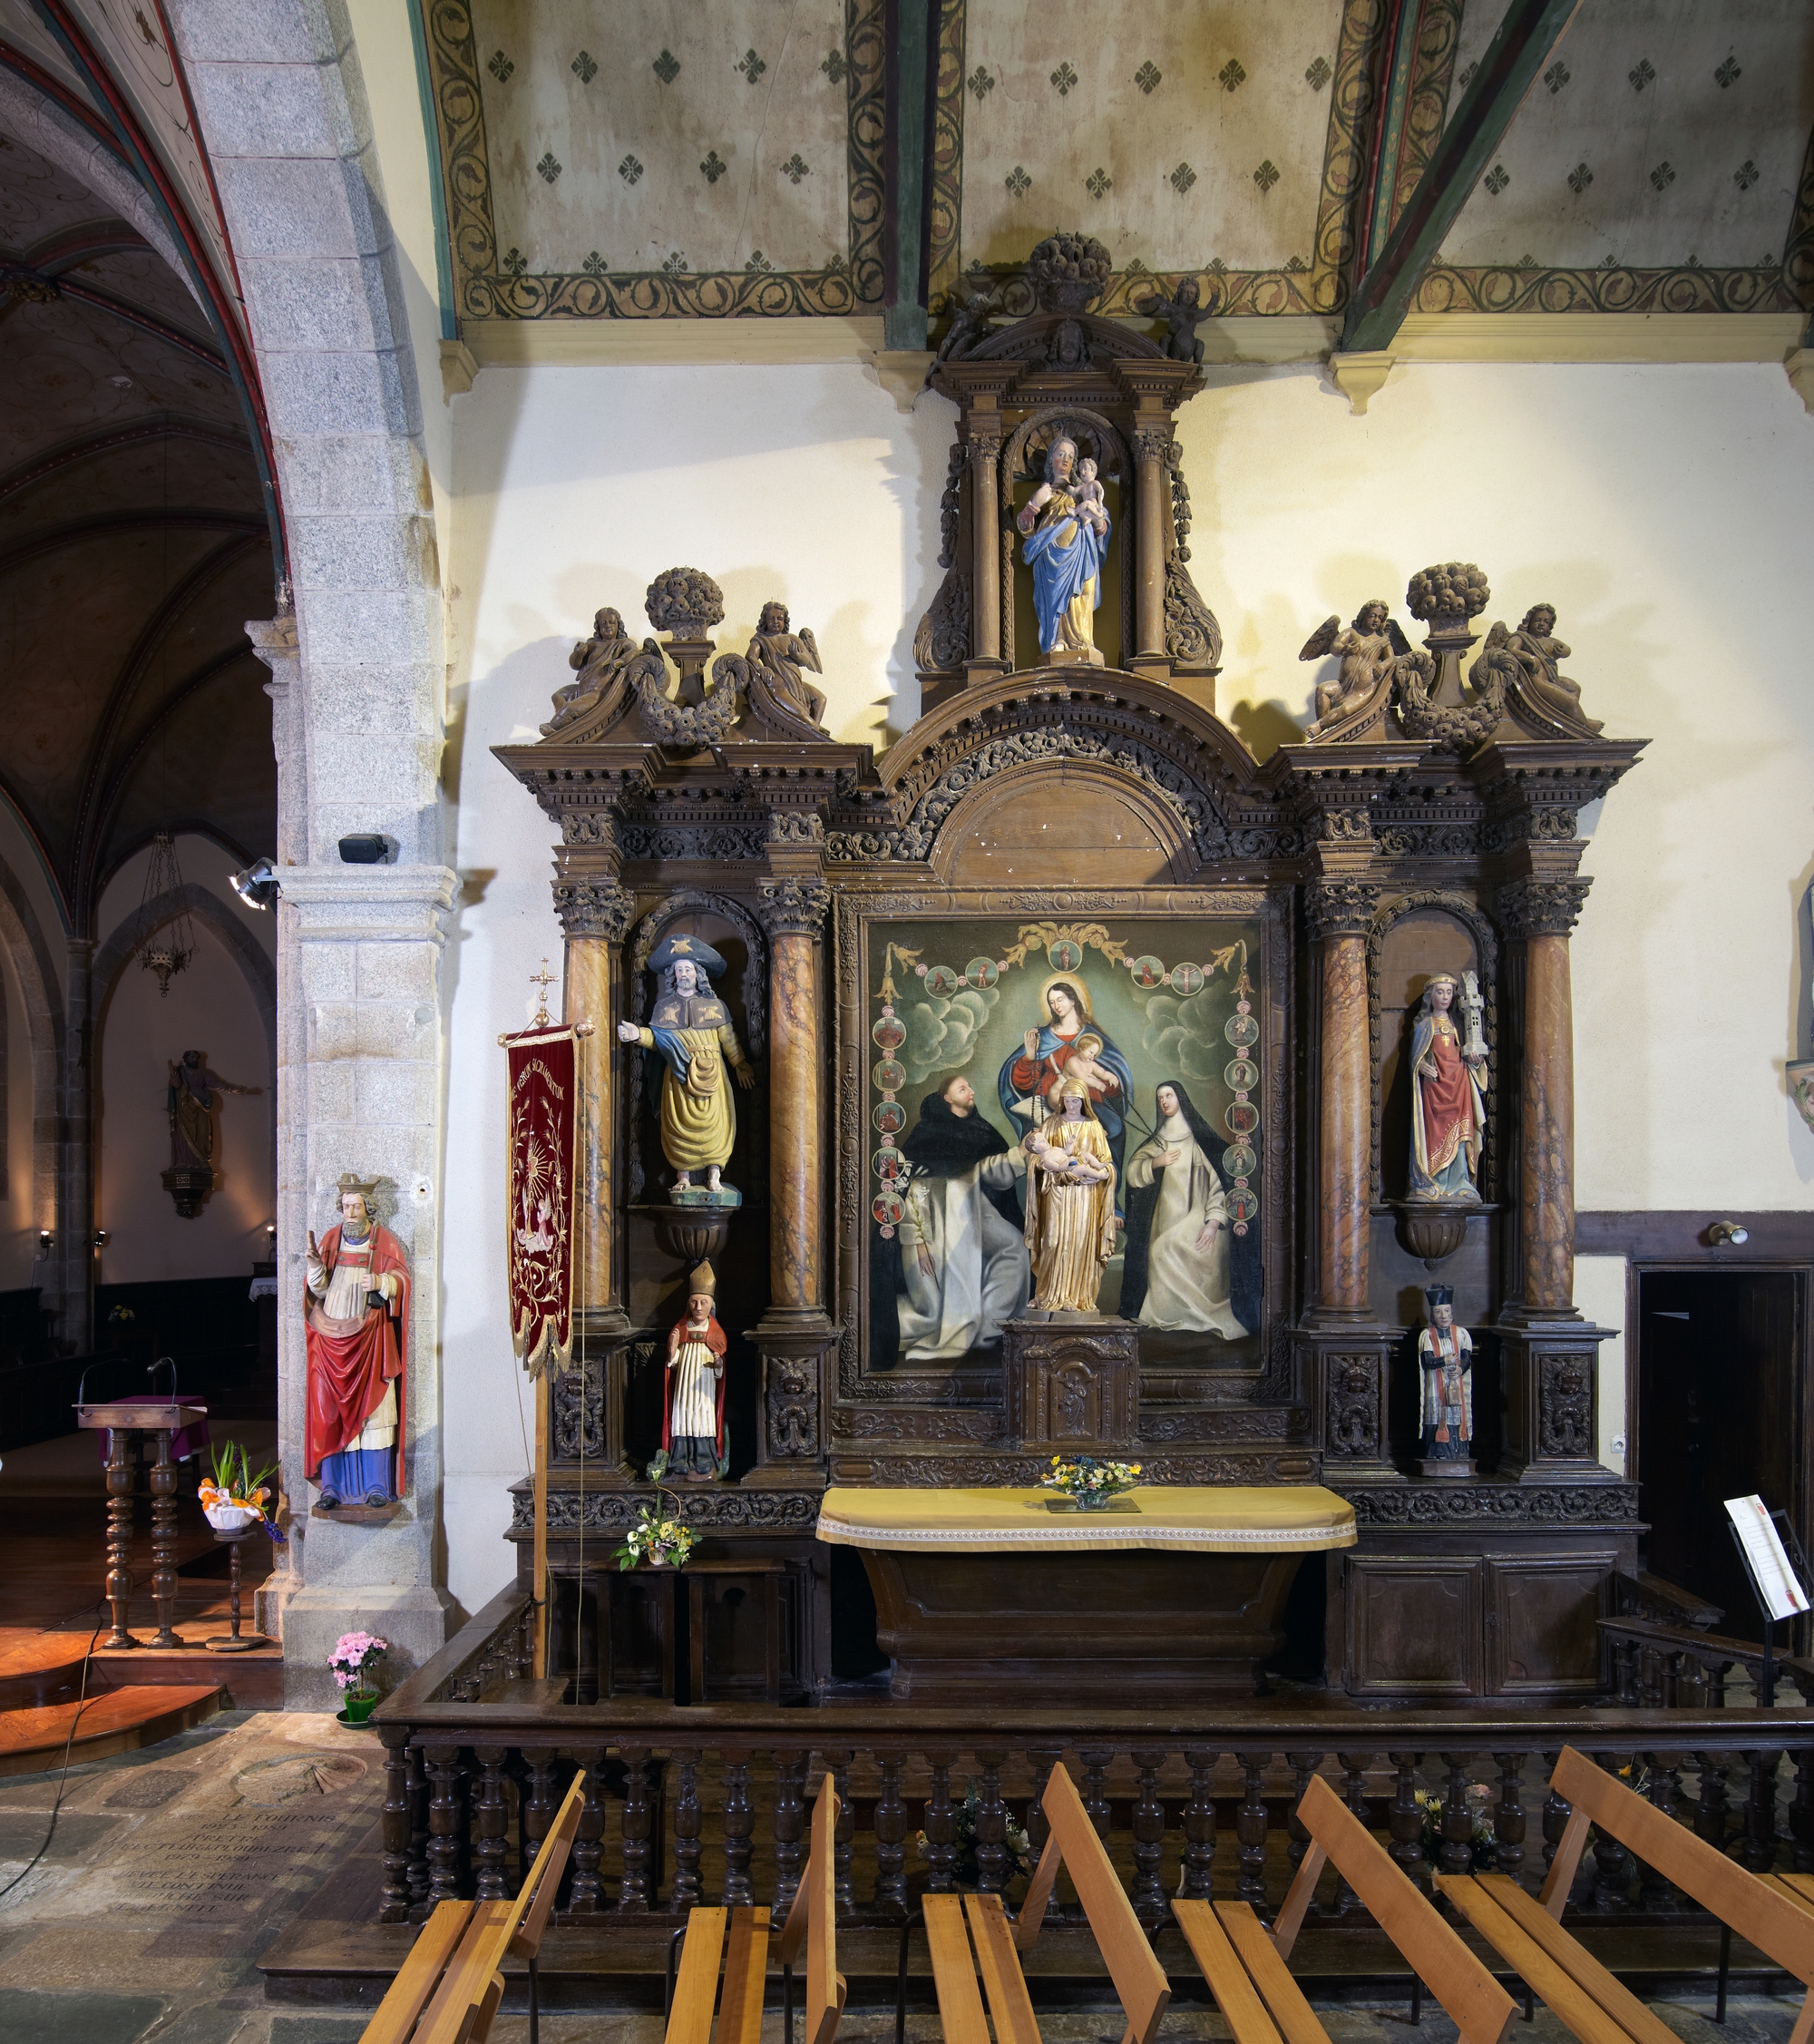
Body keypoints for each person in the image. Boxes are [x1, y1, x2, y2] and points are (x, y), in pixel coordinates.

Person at [873, 1075, 1029, 1364]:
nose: (971, 1091)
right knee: (934, 1309)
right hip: (935, 1218)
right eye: (963, 1088)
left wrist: (1021, 1153)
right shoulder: (927, 1133)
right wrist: (918, 1242)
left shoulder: (982, 1130)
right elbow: (909, 1189)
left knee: (1014, 1249)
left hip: (975, 1209)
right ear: (948, 1098)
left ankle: (989, 1327)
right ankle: (960, 1326)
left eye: (969, 1086)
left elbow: (990, 1170)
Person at [617, 934, 756, 1197]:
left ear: (697, 973)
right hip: (678, 1074)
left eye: (688, 969)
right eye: (679, 969)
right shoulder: (664, 1008)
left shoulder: (715, 1006)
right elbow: (658, 1040)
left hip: (712, 1071)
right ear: (673, 974)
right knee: (677, 1123)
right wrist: (637, 1034)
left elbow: (728, 1039)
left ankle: (714, 1175)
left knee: (716, 1123)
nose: (683, 974)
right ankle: (683, 1177)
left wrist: (739, 1063)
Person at [305, 1174, 409, 1508]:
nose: (349, 1213)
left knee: (375, 1410)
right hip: (330, 1339)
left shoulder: (384, 1241)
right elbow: (319, 1290)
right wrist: (315, 1268)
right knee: (329, 1412)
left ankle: (377, 1486)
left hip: (370, 1340)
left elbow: (402, 1279)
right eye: (346, 1206)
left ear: (368, 1209)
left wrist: (381, 1281)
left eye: (356, 1207)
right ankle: (332, 1488)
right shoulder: (331, 1239)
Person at [1120, 1082, 1252, 1338]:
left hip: (1199, 1215)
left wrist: (1213, 1223)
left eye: (1169, 1095)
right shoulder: (1159, 1139)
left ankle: (1190, 1315)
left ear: (1180, 1098)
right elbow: (1133, 1173)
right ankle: (1168, 1318)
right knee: (1159, 1248)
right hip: (1165, 1219)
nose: (1164, 1102)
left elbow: (1219, 1185)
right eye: (1160, 1098)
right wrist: (1155, 1162)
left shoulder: (1198, 1139)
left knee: (1163, 1249)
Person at [999, 979, 1132, 1197]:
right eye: (1051, 1002)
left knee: (1114, 1129)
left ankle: (1105, 1199)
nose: (1056, 1006)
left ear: (1073, 1000)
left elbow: (1112, 1074)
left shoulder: (1093, 1037)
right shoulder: (1043, 1037)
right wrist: (1029, 1057)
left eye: (1060, 999)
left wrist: (1109, 1083)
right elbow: (1023, 1083)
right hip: (1053, 1102)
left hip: (1089, 1101)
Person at [1021, 1078, 1117, 1313]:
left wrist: (1101, 1175)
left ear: (1084, 1101)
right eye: (1068, 1101)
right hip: (1057, 1194)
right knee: (1052, 1242)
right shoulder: (1051, 1123)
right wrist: (1049, 1166)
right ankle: (1047, 1295)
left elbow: (1107, 1163)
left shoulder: (1094, 1127)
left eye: (1076, 1101)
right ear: (1061, 1101)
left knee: (1080, 1243)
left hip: (1085, 1197)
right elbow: (1035, 1159)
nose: (1072, 1106)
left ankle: (1076, 1297)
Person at [1016, 435, 1110, 659]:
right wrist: (1035, 504)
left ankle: (1083, 641)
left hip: (1082, 550)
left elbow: (1102, 523)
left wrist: (1098, 521)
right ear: (1051, 460)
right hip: (1051, 555)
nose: (1066, 460)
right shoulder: (1046, 492)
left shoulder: (1082, 491)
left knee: (1083, 591)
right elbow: (1025, 530)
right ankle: (1057, 639)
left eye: (1070, 456)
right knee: (1055, 597)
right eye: (1060, 455)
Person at [1409, 973, 1487, 1199]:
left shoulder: (1458, 1025)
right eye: (1440, 992)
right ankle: (1433, 1181)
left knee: (1461, 1134)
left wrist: (1475, 1061)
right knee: (1434, 1132)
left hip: (1459, 1084)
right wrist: (1421, 1067)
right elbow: (1415, 1059)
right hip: (1435, 1088)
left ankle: (1460, 1183)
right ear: (1430, 996)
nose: (1445, 997)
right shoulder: (1424, 1026)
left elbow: (1469, 1053)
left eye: (1449, 992)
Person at [659, 1261, 728, 1481]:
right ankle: (680, 1459)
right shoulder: (681, 1328)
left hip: (704, 1382)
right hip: (684, 1382)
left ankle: (704, 1459)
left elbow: (720, 1364)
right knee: (683, 1413)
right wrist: (672, 1351)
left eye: (703, 1302)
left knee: (702, 1415)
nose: (698, 1307)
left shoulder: (716, 1332)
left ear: (711, 1304)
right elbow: (673, 1363)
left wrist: (718, 1366)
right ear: (688, 1303)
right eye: (694, 1302)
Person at [1419, 1285, 1473, 1465]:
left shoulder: (1461, 1334)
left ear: (1452, 1313)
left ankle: (1458, 1452)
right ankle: (1436, 1453)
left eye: (1446, 1311)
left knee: (1456, 1415)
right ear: (1432, 1315)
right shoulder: (1427, 1335)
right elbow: (1427, 1361)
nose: (1443, 1316)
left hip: (1455, 1384)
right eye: (1438, 1312)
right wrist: (1444, 1360)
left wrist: (1460, 1369)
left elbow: (1466, 1358)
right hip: (1435, 1386)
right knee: (1436, 1415)